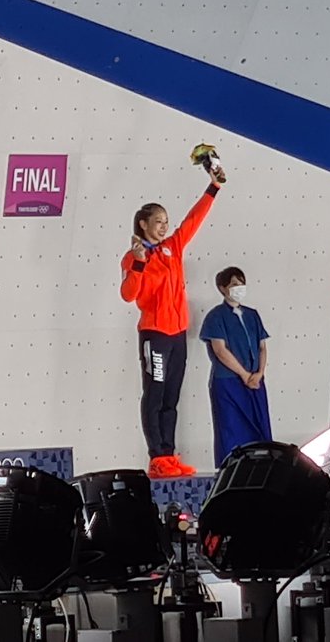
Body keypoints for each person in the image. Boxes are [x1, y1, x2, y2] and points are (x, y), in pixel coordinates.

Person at [120, 168, 224, 480]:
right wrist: (138, 263)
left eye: (166, 222)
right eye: (158, 222)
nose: (164, 227)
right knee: (155, 393)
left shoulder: (172, 248)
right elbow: (128, 295)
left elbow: (194, 220)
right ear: (143, 224)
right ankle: (156, 457)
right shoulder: (135, 256)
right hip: (155, 334)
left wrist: (213, 187)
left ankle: (169, 453)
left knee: (171, 397)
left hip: (178, 334)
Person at [199, 266, 272, 467]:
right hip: (228, 382)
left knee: (259, 429)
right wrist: (244, 374)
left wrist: (258, 374)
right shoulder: (216, 316)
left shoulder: (252, 315)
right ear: (223, 288)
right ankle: (230, 472)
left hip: (255, 382)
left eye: (241, 283)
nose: (239, 288)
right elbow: (220, 350)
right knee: (230, 429)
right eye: (234, 284)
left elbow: (262, 346)